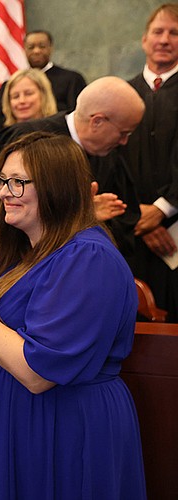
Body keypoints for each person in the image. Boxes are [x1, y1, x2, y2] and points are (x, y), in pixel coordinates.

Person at [0, 132, 146, 499]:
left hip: (61, 427)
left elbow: (37, 373)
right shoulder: (24, 254)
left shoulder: (87, 257)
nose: (4, 192)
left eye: (17, 182)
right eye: (2, 180)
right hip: (13, 422)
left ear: (57, 187)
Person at [0, 76, 145, 275]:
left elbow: (126, 219)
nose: (124, 142)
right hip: (18, 273)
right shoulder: (26, 141)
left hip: (81, 273)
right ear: (97, 121)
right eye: (123, 133)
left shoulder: (109, 155)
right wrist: (82, 214)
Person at [123, 3, 178, 321]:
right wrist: (138, 219)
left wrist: (161, 210)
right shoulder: (123, 93)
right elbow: (109, 161)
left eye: (174, 33)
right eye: (158, 31)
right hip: (133, 235)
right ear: (144, 40)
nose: (165, 39)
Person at [0, 68, 58, 260]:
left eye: (29, 93)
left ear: (44, 95)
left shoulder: (60, 143)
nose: (22, 101)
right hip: (0, 244)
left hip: (51, 242)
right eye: (15, 96)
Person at [0, 31, 87, 130]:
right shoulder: (11, 84)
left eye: (42, 46)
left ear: (51, 48)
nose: (36, 51)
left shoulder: (72, 79)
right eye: (31, 47)